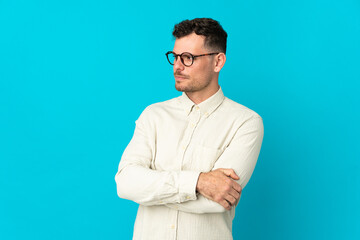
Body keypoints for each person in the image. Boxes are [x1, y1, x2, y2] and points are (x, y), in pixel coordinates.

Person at [115, 18, 264, 240]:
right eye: (175, 57)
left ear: (218, 62)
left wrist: (150, 189)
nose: (177, 66)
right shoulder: (153, 115)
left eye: (188, 58)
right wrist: (199, 182)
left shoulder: (245, 122)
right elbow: (126, 183)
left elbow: (218, 200)